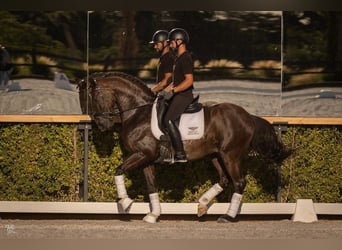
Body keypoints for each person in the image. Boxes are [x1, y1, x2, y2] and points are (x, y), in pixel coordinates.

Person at [160, 28, 194, 163]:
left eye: (172, 42)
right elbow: (175, 81)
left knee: (168, 119)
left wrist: (174, 91)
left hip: (184, 96)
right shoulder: (178, 59)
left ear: (179, 41)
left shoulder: (185, 58)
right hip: (178, 93)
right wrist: (164, 92)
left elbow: (189, 81)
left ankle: (180, 153)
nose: (170, 44)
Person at [149, 30, 174, 94]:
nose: (155, 47)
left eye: (157, 44)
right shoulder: (164, 58)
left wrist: (152, 90)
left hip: (167, 94)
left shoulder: (168, 58)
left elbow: (167, 79)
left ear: (165, 43)